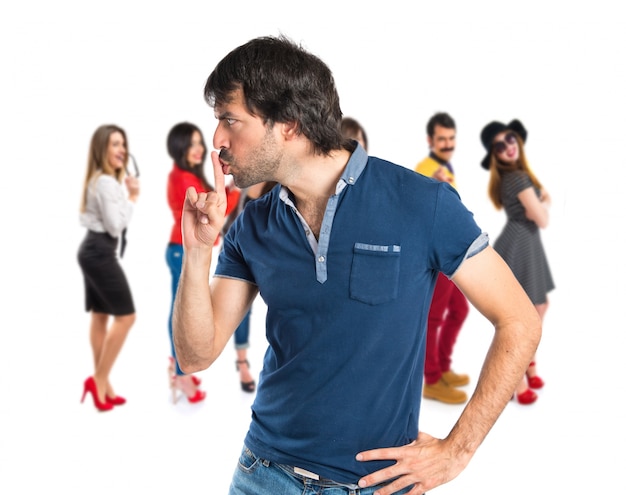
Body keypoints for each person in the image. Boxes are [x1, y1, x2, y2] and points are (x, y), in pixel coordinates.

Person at [173, 35, 541, 495]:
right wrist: (198, 250)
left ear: (288, 123)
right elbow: (195, 354)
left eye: (230, 119)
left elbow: (520, 321)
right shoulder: (252, 224)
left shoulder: (422, 203)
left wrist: (456, 451)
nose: (218, 140)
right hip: (261, 475)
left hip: (374, 486)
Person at [480, 119, 554, 405]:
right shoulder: (519, 179)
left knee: (536, 308)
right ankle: (516, 379)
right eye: (499, 145)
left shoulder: (516, 177)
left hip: (525, 242)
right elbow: (543, 219)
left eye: (510, 139)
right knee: (521, 315)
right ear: (495, 154)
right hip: (521, 243)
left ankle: (528, 365)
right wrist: (544, 199)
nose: (508, 146)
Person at [165, 121, 240, 403]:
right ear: (179, 147)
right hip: (180, 249)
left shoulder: (186, 176)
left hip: (179, 248)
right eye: (192, 143)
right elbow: (212, 216)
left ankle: (179, 367)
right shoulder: (185, 180)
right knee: (182, 310)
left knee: (181, 305)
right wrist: (230, 194)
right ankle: (180, 373)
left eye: (200, 143)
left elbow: (215, 214)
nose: (199, 149)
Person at [77, 124, 139, 412]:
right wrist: (133, 198)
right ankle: (98, 379)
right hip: (100, 251)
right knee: (126, 317)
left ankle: (105, 384)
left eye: (123, 144)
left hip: (92, 249)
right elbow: (115, 226)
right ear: (102, 149)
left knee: (101, 315)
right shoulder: (106, 183)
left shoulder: (100, 180)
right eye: (115, 144)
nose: (122, 150)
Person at [414, 112, 470, 405]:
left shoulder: (443, 166)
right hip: (438, 256)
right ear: (430, 140)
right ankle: (433, 379)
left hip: (452, 253)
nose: (447, 144)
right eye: (442, 139)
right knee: (434, 317)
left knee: (459, 309)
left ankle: (443, 367)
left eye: (451, 138)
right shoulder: (426, 169)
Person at [222, 181, 277, 393]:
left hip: (268, 255)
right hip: (239, 252)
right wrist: (233, 191)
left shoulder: (278, 181)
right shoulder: (244, 180)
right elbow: (225, 214)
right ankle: (242, 363)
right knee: (242, 311)